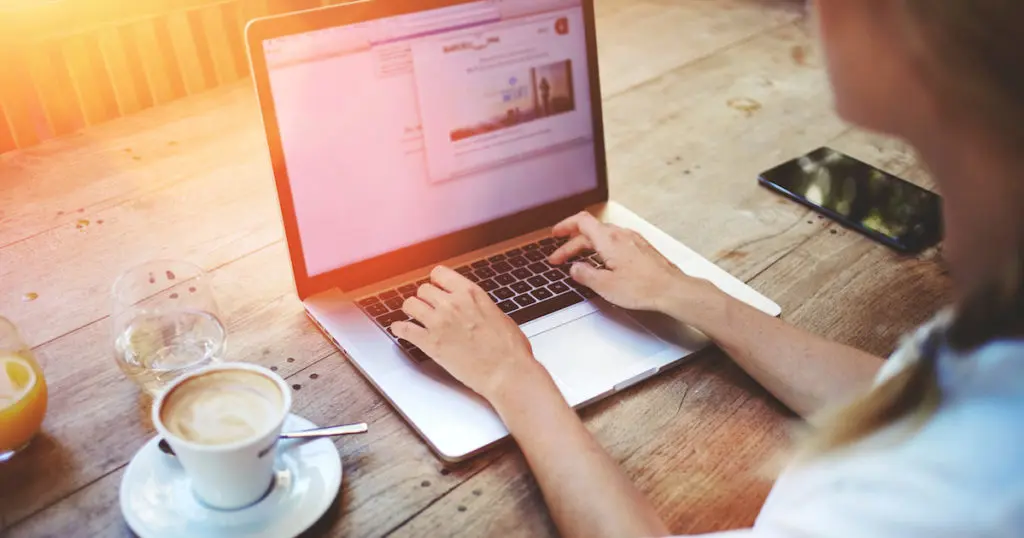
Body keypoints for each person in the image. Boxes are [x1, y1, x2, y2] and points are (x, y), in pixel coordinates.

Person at [392, 1, 1024, 536]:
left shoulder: (933, 502)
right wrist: (687, 295)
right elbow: (914, 398)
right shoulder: (1000, 341)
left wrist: (512, 378)